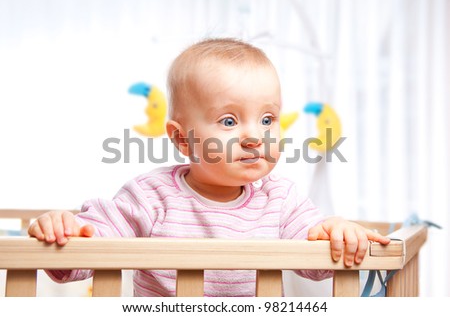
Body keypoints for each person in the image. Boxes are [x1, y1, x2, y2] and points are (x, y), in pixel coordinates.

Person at [28, 38, 390, 297]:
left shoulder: (281, 198)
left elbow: (314, 259)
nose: (254, 136)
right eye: (230, 121)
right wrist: (66, 230)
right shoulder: (150, 196)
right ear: (182, 139)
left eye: (268, 119)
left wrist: (334, 232)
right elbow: (86, 251)